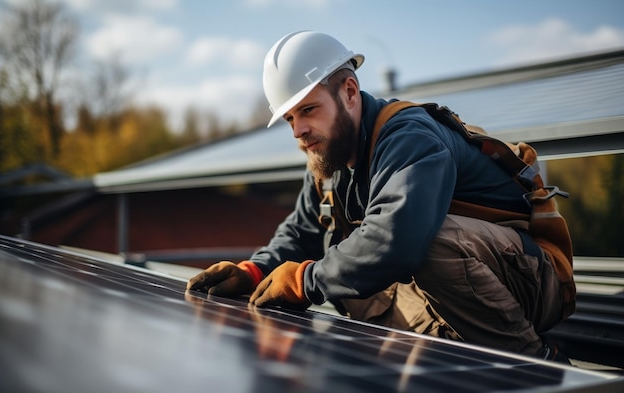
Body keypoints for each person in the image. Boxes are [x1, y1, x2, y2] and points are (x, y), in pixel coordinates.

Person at [187, 31, 574, 361]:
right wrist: (255, 271)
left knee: (412, 246)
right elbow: (302, 231)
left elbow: (396, 240)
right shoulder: (329, 157)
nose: (298, 130)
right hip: (451, 290)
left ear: (350, 92)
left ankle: (536, 362)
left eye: (308, 110)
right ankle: (444, 351)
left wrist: (305, 280)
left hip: (530, 281)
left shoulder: (409, 137)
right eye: (290, 118)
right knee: (342, 263)